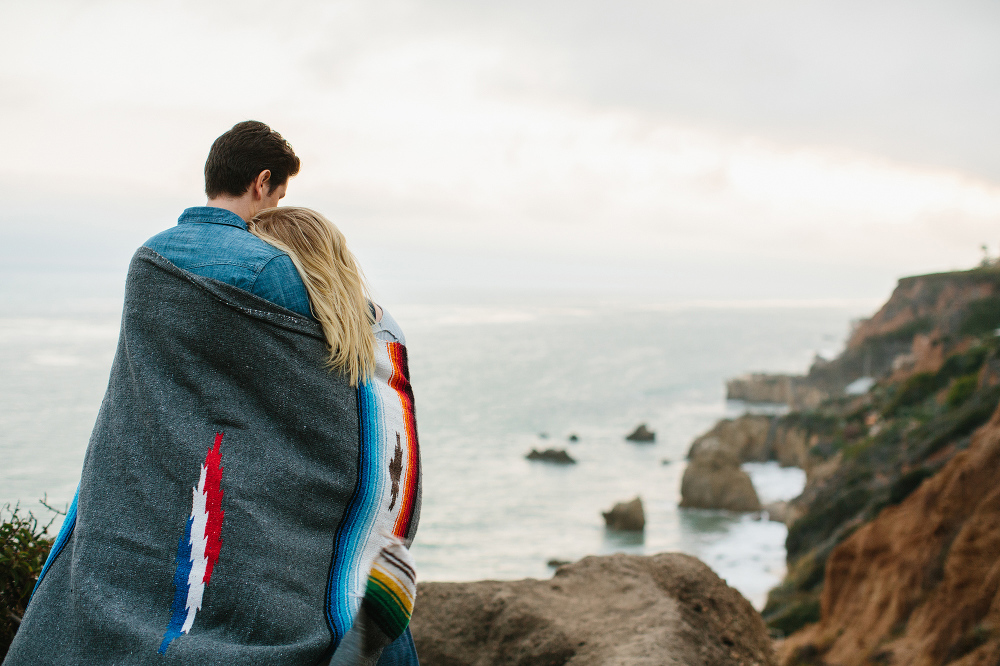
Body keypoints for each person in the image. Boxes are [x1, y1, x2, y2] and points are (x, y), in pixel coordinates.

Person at [4, 123, 421, 665]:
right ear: (262, 181)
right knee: (352, 598)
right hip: (239, 489)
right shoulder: (273, 269)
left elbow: (146, 388)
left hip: (162, 477)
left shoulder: (150, 257)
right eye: (278, 194)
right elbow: (349, 368)